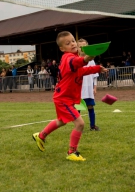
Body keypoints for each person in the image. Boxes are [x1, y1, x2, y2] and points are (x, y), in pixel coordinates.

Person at [32, 31, 107, 162]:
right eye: (68, 43)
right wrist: (87, 58)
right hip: (63, 99)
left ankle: (41, 135)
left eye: (73, 41)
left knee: (61, 121)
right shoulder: (68, 58)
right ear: (62, 48)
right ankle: (72, 152)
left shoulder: (73, 58)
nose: (72, 44)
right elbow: (79, 63)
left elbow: (81, 70)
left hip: (64, 98)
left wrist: (96, 68)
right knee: (80, 123)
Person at [77, 38, 100, 131]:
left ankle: (92, 126)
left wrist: (95, 87)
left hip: (89, 89)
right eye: (80, 46)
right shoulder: (76, 60)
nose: (82, 48)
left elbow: (95, 75)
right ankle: (78, 127)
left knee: (90, 107)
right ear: (77, 48)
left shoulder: (91, 59)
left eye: (84, 46)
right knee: (78, 109)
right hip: (78, 90)